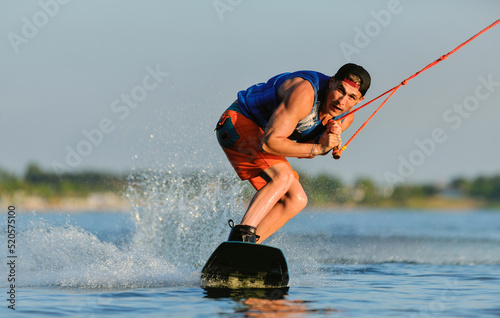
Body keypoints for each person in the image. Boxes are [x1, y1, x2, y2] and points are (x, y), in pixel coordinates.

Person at [215, 64, 370, 243]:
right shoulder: (305, 92)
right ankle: (241, 237)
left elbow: (302, 148)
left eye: (352, 97)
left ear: (360, 100)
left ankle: (243, 250)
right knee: (283, 177)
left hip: (260, 136)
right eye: (340, 90)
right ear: (332, 82)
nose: (342, 101)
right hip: (238, 121)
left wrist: (323, 141)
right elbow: (270, 144)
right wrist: (319, 149)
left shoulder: (345, 118)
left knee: (296, 199)